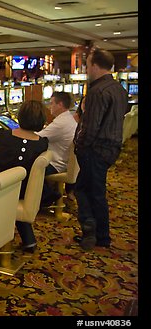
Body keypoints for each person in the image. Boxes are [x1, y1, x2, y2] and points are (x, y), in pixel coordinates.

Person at [72, 47, 129, 250]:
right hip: (111, 147)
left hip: (95, 150)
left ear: (95, 66)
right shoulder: (118, 88)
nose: (86, 69)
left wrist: (79, 146)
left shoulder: (97, 90)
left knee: (86, 190)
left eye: (87, 65)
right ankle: (100, 235)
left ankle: (94, 233)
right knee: (94, 190)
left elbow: (91, 127)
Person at [0, 100, 49, 253]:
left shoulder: (3, 134)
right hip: (23, 189)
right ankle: (28, 240)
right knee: (13, 193)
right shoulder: (42, 143)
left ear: (20, 115)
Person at [36, 91, 78, 207]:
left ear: (60, 105)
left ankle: (47, 195)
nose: (49, 106)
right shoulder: (68, 118)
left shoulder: (61, 123)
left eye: (52, 103)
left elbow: (36, 137)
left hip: (56, 164)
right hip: (64, 161)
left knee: (29, 166)